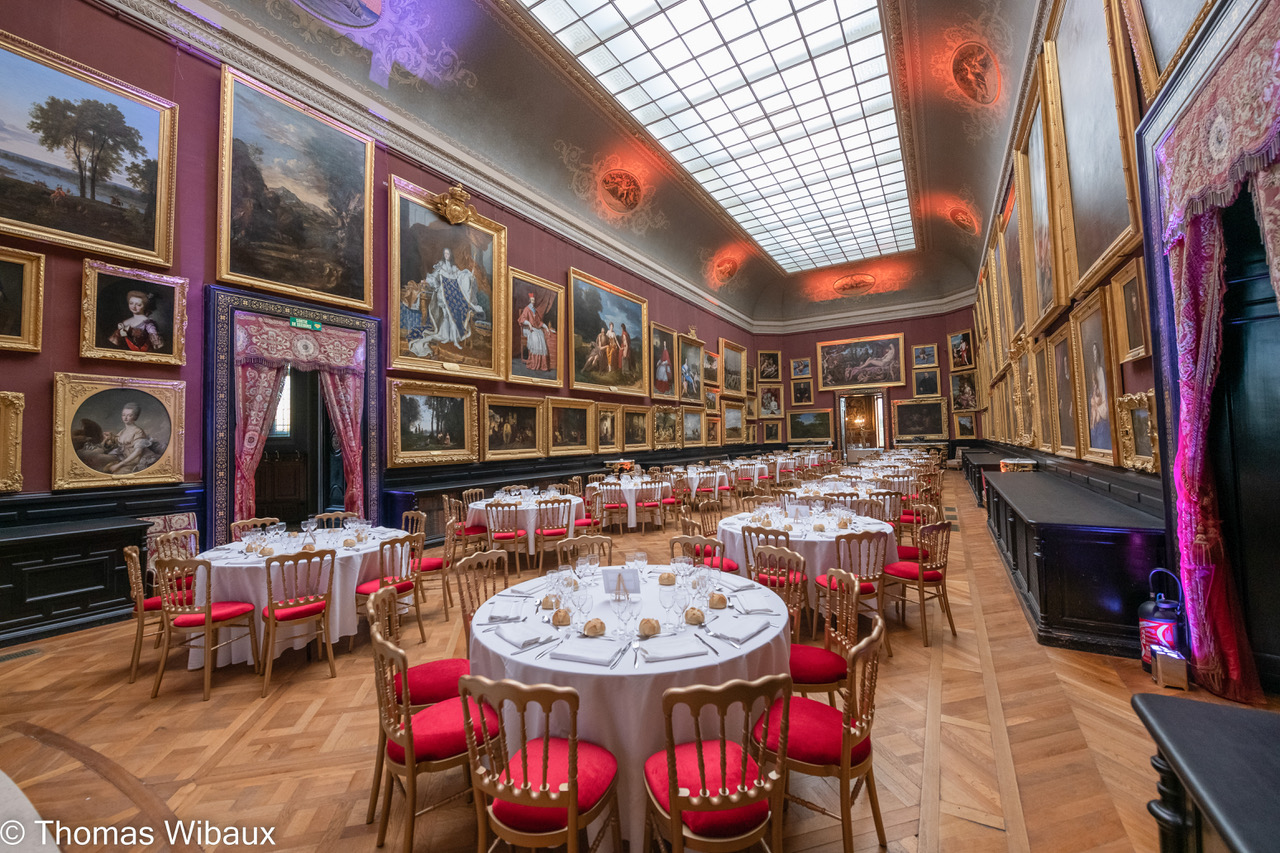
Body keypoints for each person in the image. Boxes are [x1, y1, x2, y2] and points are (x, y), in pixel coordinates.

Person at [411, 247, 484, 355]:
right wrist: (426, 281)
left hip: (453, 296)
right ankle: (446, 336)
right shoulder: (440, 266)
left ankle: (453, 338)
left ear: (451, 255)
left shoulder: (454, 268)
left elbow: (461, 278)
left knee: (454, 314)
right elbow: (434, 278)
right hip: (443, 295)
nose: (446, 255)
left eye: (448, 254)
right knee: (447, 315)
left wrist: (469, 276)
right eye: (445, 254)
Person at [105, 402, 160, 474]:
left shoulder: (138, 431)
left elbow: (138, 452)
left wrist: (119, 465)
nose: (125, 418)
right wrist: (110, 437)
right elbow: (117, 442)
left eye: (129, 415)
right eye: (123, 415)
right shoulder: (122, 431)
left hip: (135, 461)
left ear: (135, 417)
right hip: (125, 458)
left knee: (117, 473)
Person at [517, 292, 550, 372]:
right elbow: (522, 319)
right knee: (535, 338)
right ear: (529, 300)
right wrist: (529, 324)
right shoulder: (526, 309)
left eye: (534, 300)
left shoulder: (535, 310)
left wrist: (546, 328)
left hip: (535, 328)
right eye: (532, 300)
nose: (533, 302)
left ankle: (541, 364)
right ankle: (533, 362)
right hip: (528, 328)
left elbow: (539, 322)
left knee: (541, 336)